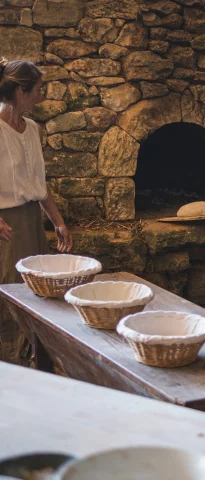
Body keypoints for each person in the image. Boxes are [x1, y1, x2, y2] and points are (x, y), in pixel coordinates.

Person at [0, 58, 72, 364]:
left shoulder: (33, 130)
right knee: (11, 300)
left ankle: (37, 365)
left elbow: (39, 185)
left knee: (38, 298)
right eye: (38, 89)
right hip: (6, 227)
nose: (42, 96)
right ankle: (11, 372)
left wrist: (58, 222)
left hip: (32, 221)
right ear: (20, 91)